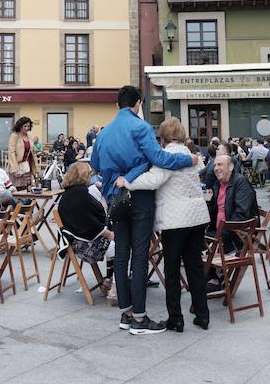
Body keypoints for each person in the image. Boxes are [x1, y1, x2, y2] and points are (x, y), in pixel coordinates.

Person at [91, 85, 197, 335]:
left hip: (115, 199)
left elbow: (95, 164)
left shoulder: (104, 133)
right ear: (138, 103)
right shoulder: (141, 127)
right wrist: (188, 159)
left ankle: (126, 314)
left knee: (121, 255)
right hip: (139, 198)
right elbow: (161, 159)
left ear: (117, 105)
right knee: (139, 256)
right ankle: (140, 318)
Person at [117, 118, 210, 332]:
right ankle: (202, 316)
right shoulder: (190, 155)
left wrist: (127, 182)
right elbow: (201, 164)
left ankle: (176, 319)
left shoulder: (166, 156)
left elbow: (153, 180)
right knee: (195, 267)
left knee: (172, 270)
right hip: (197, 218)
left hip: (175, 220)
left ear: (163, 138)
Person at [58, 162, 114, 278]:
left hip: (74, 243)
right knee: (123, 244)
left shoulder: (66, 195)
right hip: (87, 247)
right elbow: (92, 224)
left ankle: (110, 278)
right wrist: (110, 234)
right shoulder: (82, 196)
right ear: (85, 176)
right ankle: (114, 282)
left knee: (116, 240)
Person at [207, 154, 258, 258]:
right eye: (215, 165)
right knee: (190, 241)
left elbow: (241, 215)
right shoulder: (218, 184)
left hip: (237, 236)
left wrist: (220, 237)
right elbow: (211, 210)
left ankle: (213, 272)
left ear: (231, 167)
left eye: (220, 165)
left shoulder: (241, 183)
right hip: (219, 233)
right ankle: (211, 273)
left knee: (194, 249)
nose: (216, 168)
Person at [6, 116, 37, 190]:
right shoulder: (14, 135)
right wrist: (15, 169)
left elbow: (32, 152)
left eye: (28, 126)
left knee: (28, 189)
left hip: (27, 167)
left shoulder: (29, 136)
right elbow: (11, 152)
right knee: (19, 190)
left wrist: (36, 170)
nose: (26, 128)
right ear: (20, 126)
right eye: (24, 126)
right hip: (18, 167)